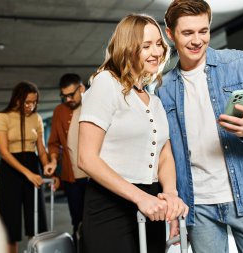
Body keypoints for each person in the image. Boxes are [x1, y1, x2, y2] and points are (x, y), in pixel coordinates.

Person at [156, 1, 243, 252]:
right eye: (187, 33)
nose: (197, 40)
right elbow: (167, 152)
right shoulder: (164, 89)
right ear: (170, 34)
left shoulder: (240, 64)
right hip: (198, 206)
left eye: (203, 31)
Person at [77, 14, 189, 253]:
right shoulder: (106, 83)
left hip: (151, 203)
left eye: (158, 44)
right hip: (110, 205)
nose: (156, 52)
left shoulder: (154, 100)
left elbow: (164, 154)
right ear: (128, 48)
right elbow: (86, 158)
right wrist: (139, 198)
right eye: (146, 46)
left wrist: (169, 195)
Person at [0, 81, 53, 253]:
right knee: (9, 222)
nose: (31, 106)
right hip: (10, 168)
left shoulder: (36, 118)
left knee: (36, 221)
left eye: (34, 102)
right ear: (17, 100)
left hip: (32, 165)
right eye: (27, 102)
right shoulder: (2, 117)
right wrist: (27, 173)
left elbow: (41, 149)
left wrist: (47, 165)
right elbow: (4, 152)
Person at [46, 73, 88, 246]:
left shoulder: (94, 105)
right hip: (72, 178)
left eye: (72, 94)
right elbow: (54, 143)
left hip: (96, 177)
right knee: (77, 220)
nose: (69, 99)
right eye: (65, 96)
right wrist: (53, 161)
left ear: (82, 88)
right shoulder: (59, 111)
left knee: (95, 220)